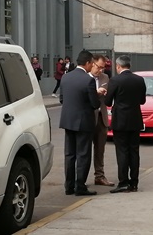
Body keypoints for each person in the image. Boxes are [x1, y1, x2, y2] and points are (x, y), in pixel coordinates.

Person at [59, 50, 100, 196]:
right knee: (83, 154)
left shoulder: (66, 78)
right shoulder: (87, 80)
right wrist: (97, 94)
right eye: (92, 64)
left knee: (69, 154)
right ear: (88, 63)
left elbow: (62, 99)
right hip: (83, 122)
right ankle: (80, 186)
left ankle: (69, 186)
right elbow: (94, 104)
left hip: (68, 120)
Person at [105, 55, 146, 193]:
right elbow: (142, 101)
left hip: (120, 121)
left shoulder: (115, 80)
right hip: (135, 120)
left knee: (122, 151)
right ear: (129, 65)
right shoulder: (139, 80)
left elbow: (108, 102)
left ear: (118, 66)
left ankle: (123, 182)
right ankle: (134, 183)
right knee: (134, 151)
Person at [89, 54, 114, 187]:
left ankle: (99, 176)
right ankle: (80, 178)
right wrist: (95, 92)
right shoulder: (84, 77)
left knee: (100, 149)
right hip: (87, 118)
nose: (101, 70)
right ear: (92, 64)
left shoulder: (105, 77)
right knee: (84, 150)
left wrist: (105, 93)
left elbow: (109, 97)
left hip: (101, 117)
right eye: (99, 67)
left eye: (103, 68)